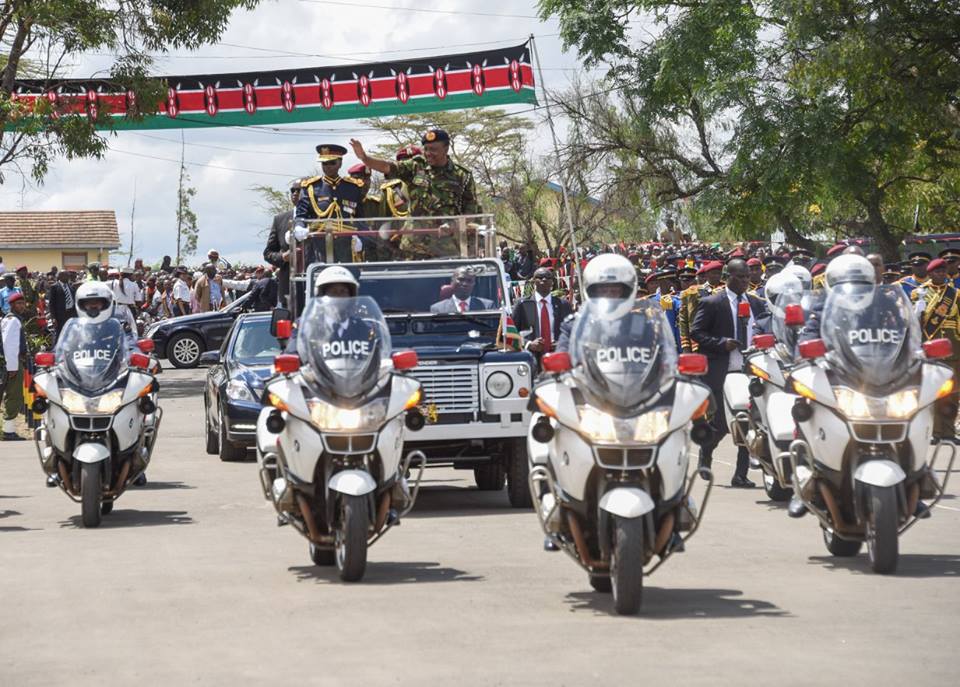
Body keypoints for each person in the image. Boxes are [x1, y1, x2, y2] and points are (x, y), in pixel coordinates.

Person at [690, 258, 768, 488]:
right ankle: (706, 452)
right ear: (728, 277)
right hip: (722, 371)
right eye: (740, 277)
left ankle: (740, 474)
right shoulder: (713, 303)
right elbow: (696, 332)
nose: (745, 281)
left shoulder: (756, 303)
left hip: (750, 371)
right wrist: (721, 343)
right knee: (723, 423)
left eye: (747, 277)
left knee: (749, 422)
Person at [350, 129, 481, 258]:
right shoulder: (416, 166)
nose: (429, 153)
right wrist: (364, 157)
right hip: (413, 245)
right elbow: (387, 166)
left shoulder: (462, 175)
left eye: (433, 149)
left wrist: (454, 225)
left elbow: (471, 210)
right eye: (426, 149)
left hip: (446, 246)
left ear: (446, 149)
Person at [912, 258, 960, 441]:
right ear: (930, 273)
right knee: (931, 392)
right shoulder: (919, 294)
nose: (941, 274)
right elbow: (913, 323)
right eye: (937, 272)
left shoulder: (955, 294)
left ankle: (948, 433)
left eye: (943, 271)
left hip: (952, 347)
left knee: (952, 394)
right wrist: (918, 312)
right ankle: (934, 432)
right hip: (929, 349)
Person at [295, 144, 367, 264]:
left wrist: (361, 238)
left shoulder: (352, 187)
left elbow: (360, 218)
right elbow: (301, 214)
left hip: (346, 244)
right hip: (320, 243)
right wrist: (299, 226)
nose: (327, 167)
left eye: (332, 163)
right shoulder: (311, 187)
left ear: (340, 163)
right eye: (324, 163)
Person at [555, 254, 637, 354]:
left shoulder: (640, 323)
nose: (609, 295)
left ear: (625, 292)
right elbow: (562, 352)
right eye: (603, 290)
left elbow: (658, 352)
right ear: (593, 292)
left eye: (614, 290)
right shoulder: (576, 325)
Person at [511, 267, 573, 358]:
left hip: (557, 357)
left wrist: (561, 343)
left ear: (552, 282)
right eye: (540, 277)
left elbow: (572, 332)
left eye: (548, 277)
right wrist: (529, 344)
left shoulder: (563, 305)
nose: (544, 279)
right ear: (533, 281)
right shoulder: (523, 304)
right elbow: (511, 333)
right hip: (531, 358)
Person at [264, 178, 303, 309]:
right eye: (293, 190)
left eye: (300, 190)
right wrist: (283, 257)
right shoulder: (280, 220)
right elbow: (268, 253)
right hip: (289, 290)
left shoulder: (320, 218)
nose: (295, 193)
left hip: (314, 286)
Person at [678, 260, 722, 353]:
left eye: (719, 273)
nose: (717, 276)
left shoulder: (726, 290)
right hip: (699, 342)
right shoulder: (692, 292)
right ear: (706, 275)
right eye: (713, 273)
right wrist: (686, 346)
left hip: (722, 341)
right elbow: (684, 321)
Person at [0, 292, 28, 440]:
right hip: (12, 363)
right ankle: (8, 432)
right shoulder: (13, 321)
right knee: (14, 396)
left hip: (10, 362)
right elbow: (9, 345)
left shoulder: (9, 319)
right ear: (11, 305)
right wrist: (12, 367)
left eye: (23, 303)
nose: (22, 306)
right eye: (18, 304)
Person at [47, 270, 77, 342]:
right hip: (60, 316)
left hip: (71, 314)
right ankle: (56, 349)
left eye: (68, 275)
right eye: (66, 275)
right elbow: (51, 304)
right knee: (60, 334)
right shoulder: (54, 287)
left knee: (71, 333)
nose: (68, 277)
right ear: (60, 277)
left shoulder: (71, 286)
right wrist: (53, 318)